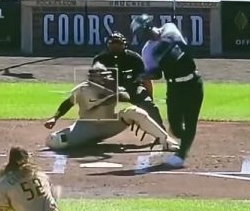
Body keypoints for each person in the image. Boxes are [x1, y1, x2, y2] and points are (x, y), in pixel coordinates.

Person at [43, 62, 179, 152]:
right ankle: (87, 140)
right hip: (87, 125)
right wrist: (54, 118)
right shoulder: (82, 89)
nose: (102, 79)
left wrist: (113, 93)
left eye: (103, 76)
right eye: (98, 77)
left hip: (110, 124)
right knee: (55, 141)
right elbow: (68, 103)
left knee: (136, 112)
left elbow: (126, 97)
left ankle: (166, 140)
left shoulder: (113, 86)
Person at [131, 14, 205, 169]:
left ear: (148, 27)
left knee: (190, 121)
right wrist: (142, 76)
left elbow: (176, 44)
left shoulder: (169, 28)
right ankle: (184, 142)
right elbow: (157, 73)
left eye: (141, 32)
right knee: (176, 127)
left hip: (192, 83)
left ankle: (181, 155)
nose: (141, 36)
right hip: (174, 87)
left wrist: (159, 54)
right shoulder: (147, 51)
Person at [92, 31, 165, 129]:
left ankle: (160, 131)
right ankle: (92, 128)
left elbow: (146, 79)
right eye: (113, 44)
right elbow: (94, 82)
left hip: (132, 88)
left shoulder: (134, 58)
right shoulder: (100, 59)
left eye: (118, 44)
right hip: (109, 90)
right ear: (108, 45)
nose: (116, 47)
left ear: (124, 45)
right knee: (92, 104)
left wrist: (150, 98)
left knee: (149, 106)